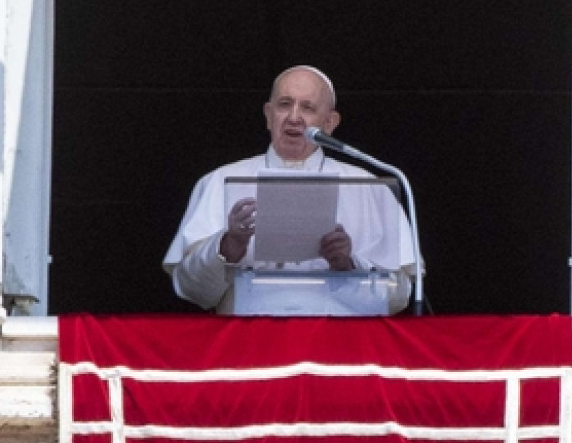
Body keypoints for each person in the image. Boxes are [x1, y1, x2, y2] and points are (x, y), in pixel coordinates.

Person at [163, 66, 416, 314]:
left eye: (308, 107)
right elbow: (191, 290)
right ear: (268, 114)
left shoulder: (369, 188)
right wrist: (229, 245)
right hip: (247, 343)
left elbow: (399, 296)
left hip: (337, 344)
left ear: (329, 122)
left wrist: (347, 265)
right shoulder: (220, 180)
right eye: (285, 104)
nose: (294, 117)